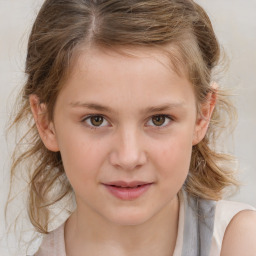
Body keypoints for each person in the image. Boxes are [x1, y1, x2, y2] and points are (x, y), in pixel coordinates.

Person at [6, 0, 256, 255]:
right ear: (46, 123)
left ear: (202, 115)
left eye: (159, 119)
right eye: (96, 120)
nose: (128, 157)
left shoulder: (241, 243)